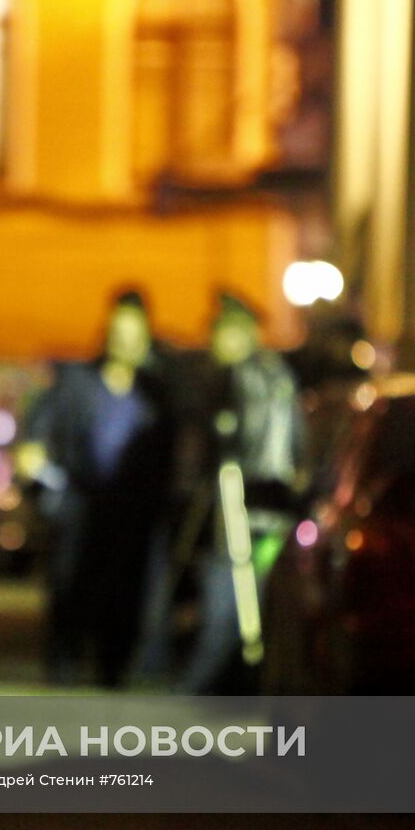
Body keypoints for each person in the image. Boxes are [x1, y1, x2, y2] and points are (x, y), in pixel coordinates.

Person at [17, 290, 176, 687]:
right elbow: (41, 425)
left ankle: (114, 665)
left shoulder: (158, 390)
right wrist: (33, 454)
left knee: (126, 591)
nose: (125, 342)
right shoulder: (77, 382)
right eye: (118, 332)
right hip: (80, 505)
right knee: (71, 584)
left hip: (134, 513)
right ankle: (64, 661)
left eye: (133, 333)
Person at [178, 292, 305, 694]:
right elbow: (298, 447)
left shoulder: (241, 377)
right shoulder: (282, 375)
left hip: (238, 510)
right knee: (255, 605)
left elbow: (232, 444)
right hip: (273, 512)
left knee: (227, 608)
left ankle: (195, 691)